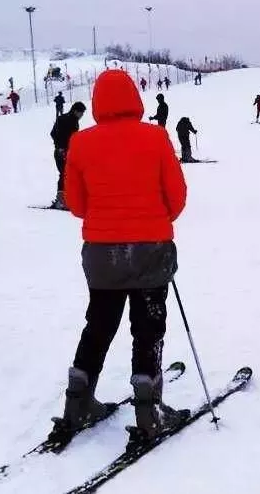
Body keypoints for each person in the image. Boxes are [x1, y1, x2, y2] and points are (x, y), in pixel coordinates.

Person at [57, 69, 188, 438]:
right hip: (150, 249)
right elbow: (175, 197)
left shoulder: (81, 142)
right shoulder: (155, 136)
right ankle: (149, 411)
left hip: (101, 254)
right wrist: (154, 220)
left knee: (98, 325)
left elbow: (78, 204)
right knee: (148, 328)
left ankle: (78, 401)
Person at [50, 102, 87, 209]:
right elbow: (53, 133)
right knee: (64, 174)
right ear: (75, 110)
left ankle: (69, 198)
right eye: (81, 113)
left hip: (70, 151)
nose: (81, 115)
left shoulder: (75, 122)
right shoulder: (63, 119)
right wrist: (60, 147)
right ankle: (61, 200)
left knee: (70, 174)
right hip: (61, 152)